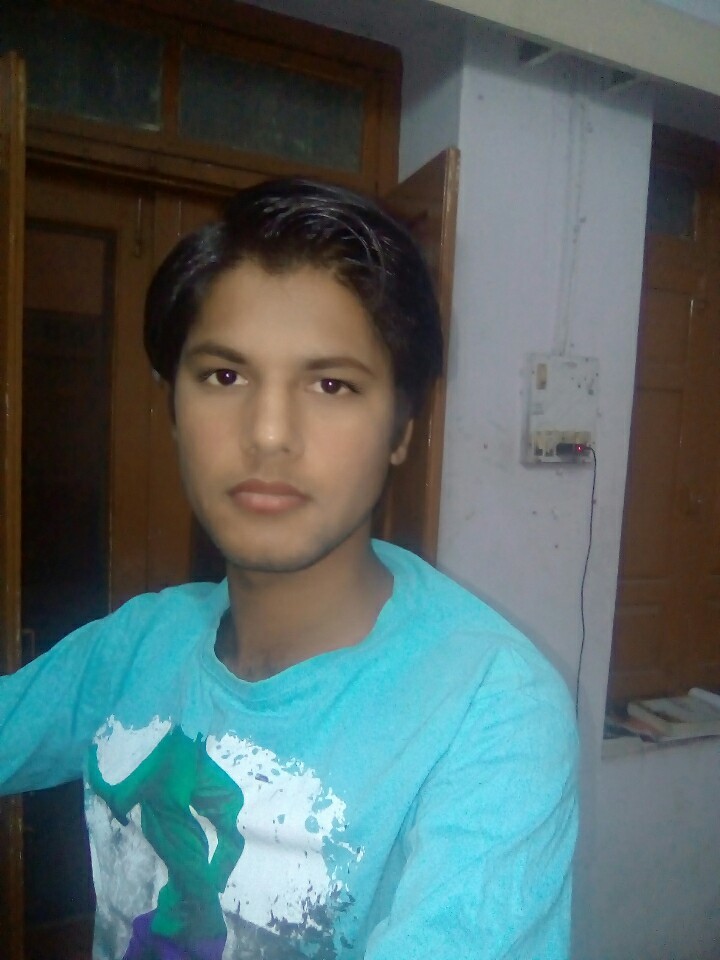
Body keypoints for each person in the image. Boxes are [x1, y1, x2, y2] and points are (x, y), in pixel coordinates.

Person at [0, 179, 578, 960]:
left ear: (401, 431)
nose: (269, 433)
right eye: (225, 376)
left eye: (332, 384)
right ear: (173, 412)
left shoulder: (490, 708)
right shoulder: (135, 647)